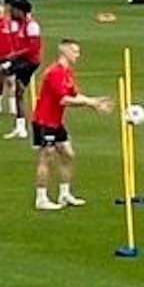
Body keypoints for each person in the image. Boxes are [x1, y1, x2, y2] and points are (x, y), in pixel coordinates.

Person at [28, 37, 111, 211]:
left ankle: (64, 194)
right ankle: (41, 198)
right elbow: (64, 100)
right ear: (64, 52)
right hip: (44, 121)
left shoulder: (67, 72)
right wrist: (89, 103)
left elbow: (74, 95)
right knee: (47, 156)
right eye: (75, 51)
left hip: (56, 122)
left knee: (68, 154)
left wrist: (93, 102)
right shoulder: (55, 72)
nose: (78, 55)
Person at [4, 0, 43, 141]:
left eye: (13, 10)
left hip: (30, 62)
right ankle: (20, 127)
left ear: (21, 11)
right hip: (21, 60)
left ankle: (20, 126)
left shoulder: (32, 26)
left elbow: (34, 48)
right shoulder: (17, 24)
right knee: (18, 92)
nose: (10, 13)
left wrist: (15, 54)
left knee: (2, 71)